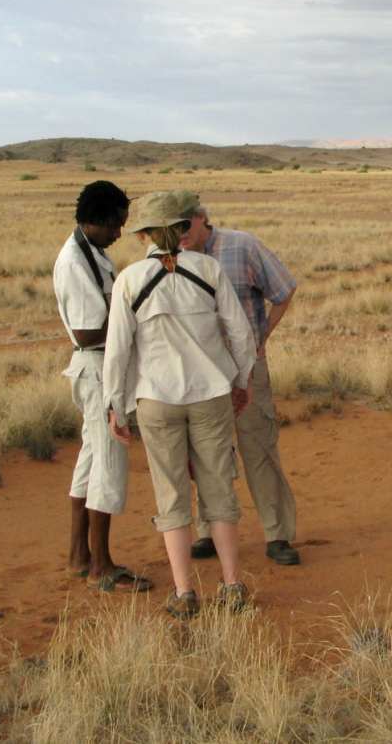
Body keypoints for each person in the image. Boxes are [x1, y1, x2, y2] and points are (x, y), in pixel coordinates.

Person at [103, 192, 257, 618]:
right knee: (218, 488)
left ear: (146, 235)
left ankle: (185, 592)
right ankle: (233, 585)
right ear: (184, 228)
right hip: (211, 394)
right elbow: (241, 335)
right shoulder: (209, 269)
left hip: (156, 399)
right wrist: (241, 380)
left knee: (170, 494)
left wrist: (115, 405)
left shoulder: (130, 280)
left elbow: (117, 351)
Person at [168, 191, 302, 566]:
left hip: (245, 367)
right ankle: (207, 530)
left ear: (201, 218)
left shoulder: (242, 246)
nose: (179, 233)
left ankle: (277, 535)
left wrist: (261, 338)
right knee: (207, 452)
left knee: (258, 447)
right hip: (199, 372)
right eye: (171, 226)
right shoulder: (172, 258)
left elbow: (284, 289)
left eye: (184, 224)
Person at [52, 180, 151, 593]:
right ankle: (102, 566)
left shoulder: (90, 253)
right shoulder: (76, 261)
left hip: (95, 369)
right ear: (99, 218)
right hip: (97, 371)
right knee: (108, 465)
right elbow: (87, 330)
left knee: (90, 462)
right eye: (116, 225)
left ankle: (80, 556)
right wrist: (135, 316)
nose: (119, 234)